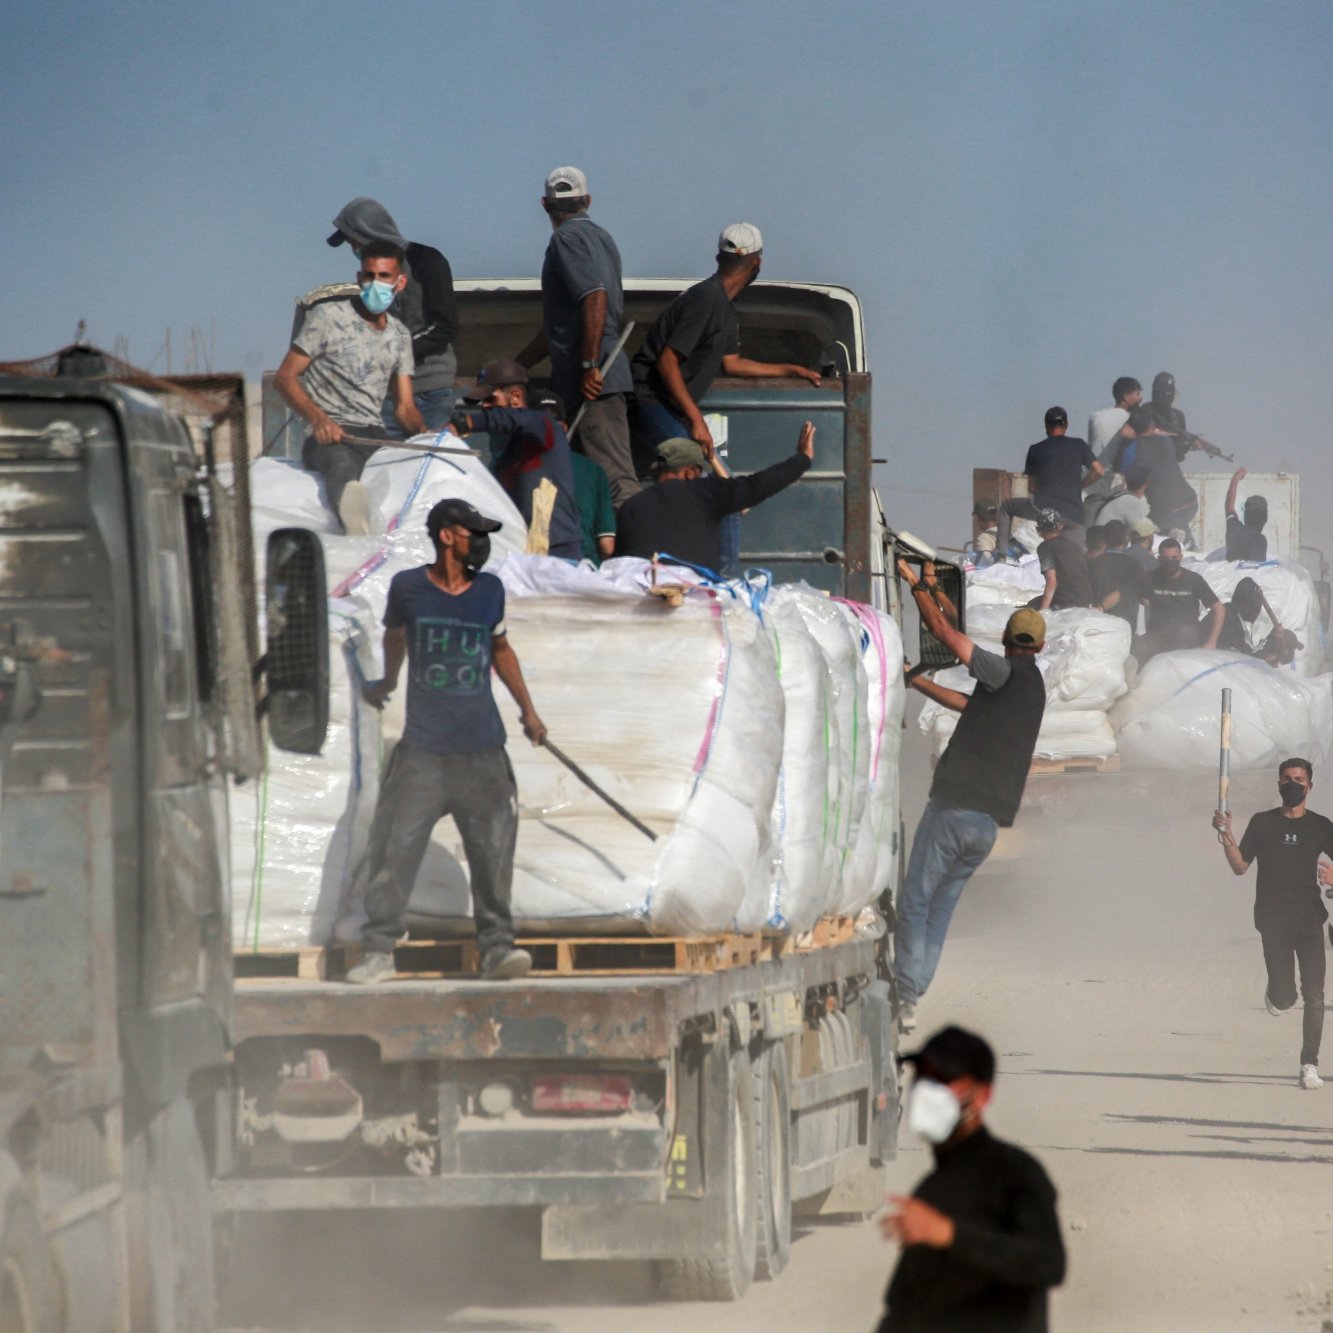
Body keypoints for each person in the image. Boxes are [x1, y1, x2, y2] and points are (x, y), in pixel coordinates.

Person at [347, 498, 548, 985]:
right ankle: (378, 951)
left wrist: (529, 710)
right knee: (395, 847)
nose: (479, 541)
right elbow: (395, 636)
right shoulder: (410, 588)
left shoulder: (489, 592)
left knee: (493, 852)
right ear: (445, 536)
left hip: (482, 748)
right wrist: (388, 681)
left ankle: (498, 950)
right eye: (471, 532)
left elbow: (500, 649)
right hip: (424, 750)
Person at [894, 565, 1047, 1031]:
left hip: (954, 808)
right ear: (1038, 647)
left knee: (915, 901)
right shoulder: (1032, 688)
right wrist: (916, 680)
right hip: (986, 825)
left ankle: (905, 992)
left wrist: (914, 583)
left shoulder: (1001, 670)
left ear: (1006, 639)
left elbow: (944, 631)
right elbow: (965, 704)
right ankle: (914, 994)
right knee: (940, 906)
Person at [877, 1026, 1066, 1332]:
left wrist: (950, 1235)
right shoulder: (932, 1190)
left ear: (982, 1095)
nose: (926, 1090)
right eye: (923, 1077)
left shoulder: (1016, 1174)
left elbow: (1047, 1263)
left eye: (942, 1080)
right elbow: (903, 1309)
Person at [274, 240, 426, 534]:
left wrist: (427, 436)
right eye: (369, 276)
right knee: (341, 468)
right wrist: (319, 419)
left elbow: (405, 408)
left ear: (400, 282)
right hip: (331, 437)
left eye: (384, 276)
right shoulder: (327, 317)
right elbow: (285, 378)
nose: (375, 284)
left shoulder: (400, 335)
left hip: (373, 436)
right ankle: (354, 526)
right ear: (359, 278)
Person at [630, 223, 821, 450]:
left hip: (670, 406)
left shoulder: (725, 305)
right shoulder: (705, 300)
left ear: (718, 258)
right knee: (686, 466)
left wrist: (792, 370)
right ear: (757, 262)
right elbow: (667, 362)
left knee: (700, 474)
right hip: (650, 398)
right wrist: (696, 420)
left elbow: (732, 364)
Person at [516, 167, 639, 507]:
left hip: (594, 381)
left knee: (613, 482)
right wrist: (517, 366)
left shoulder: (565, 239)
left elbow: (595, 296)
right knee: (589, 484)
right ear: (586, 201)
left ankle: (643, 558)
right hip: (593, 377)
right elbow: (559, 327)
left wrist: (589, 365)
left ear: (544, 205)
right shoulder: (602, 237)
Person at [1213, 759, 1333, 1090]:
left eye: (1299, 779)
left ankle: (1309, 1064)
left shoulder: (1321, 826)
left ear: (1310, 786)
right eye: (1287, 779)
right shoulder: (1264, 823)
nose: (1293, 784)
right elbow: (1240, 866)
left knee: (1315, 995)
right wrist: (1226, 835)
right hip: (1273, 920)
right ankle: (1277, 995)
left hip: (1310, 919)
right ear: (1278, 784)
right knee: (1285, 997)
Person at [327, 197, 460, 430]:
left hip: (430, 390)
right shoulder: (370, 279)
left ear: (369, 233)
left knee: (429, 462)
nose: (354, 249)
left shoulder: (426, 260)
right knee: (387, 463)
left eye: (354, 242)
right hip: (387, 397)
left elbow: (445, 326)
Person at [614, 422, 815, 571]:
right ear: (690, 472)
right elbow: (758, 485)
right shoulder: (703, 491)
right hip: (693, 601)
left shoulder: (630, 506)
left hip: (641, 602)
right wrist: (802, 459)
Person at [448, 360, 583, 560]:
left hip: (557, 556)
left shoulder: (545, 428)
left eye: (490, 400)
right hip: (523, 557)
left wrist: (467, 423)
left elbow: (520, 419)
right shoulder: (505, 457)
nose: (484, 407)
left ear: (516, 397)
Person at [997, 407, 1102, 554]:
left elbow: (1032, 488)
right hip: (1073, 516)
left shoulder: (1035, 449)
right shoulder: (1078, 445)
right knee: (1075, 556)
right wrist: (1080, 485)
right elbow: (1098, 470)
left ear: (1046, 426)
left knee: (1006, 507)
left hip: (1043, 511)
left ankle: (1001, 556)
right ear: (1067, 425)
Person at [535, 389, 615, 564]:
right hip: (582, 571)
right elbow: (607, 546)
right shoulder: (593, 470)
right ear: (563, 427)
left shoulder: (507, 464)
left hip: (529, 570)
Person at [1137, 538, 1223, 660]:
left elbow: (1219, 608)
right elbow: (1136, 602)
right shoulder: (1149, 579)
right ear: (1159, 558)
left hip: (1188, 642)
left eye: (1174, 558)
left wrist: (1212, 642)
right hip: (1157, 642)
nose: (1170, 562)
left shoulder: (1193, 580)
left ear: (1181, 557)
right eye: (1166, 558)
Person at [1129, 403, 1200, 543]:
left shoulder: (1133, 450)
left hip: (1165, 511)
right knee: (1176, 531)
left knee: (1141, 535)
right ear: (1151, 424)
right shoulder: (1165, 441)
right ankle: (1184, 539)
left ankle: (1182, 538)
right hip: (1190, 503)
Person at [1084, 376, 1143, 512]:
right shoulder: (1133, 420)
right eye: (1137, 394)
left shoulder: (1095, 417)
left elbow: (1091, 447)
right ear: (1126, 397)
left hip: (1092, 478)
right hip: (1116, 481)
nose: (1141, 398)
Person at [1031, 508, 1092, 611]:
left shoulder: (1045, 547)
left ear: (1038, 530)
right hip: (1084, 601)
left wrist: (1042, 612)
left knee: (1029, 607)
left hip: (1064, 603)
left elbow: (1052, 580)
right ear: (1060, 527)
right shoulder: (1075, 546)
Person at [1091, 520, 1146, 629]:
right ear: (1125, 539)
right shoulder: (1135, 565)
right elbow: (1144, 597)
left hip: (1098, 624)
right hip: (1126, 626)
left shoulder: (1092, 564)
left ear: (1105, 540)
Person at [1225, 467, 1269, 562]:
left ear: (1246, 514)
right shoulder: (1258, 540)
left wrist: (1235, 480)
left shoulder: (1233, 529)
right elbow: (1253, 569)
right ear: (1264, 518)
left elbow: (1229, 507)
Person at [1095, 461, 1151, 530]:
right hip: (1105, 538)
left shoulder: (1120, 496)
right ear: (1147, 482)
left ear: (1125, 480)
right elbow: (1144, 534)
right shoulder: (1133, 502)